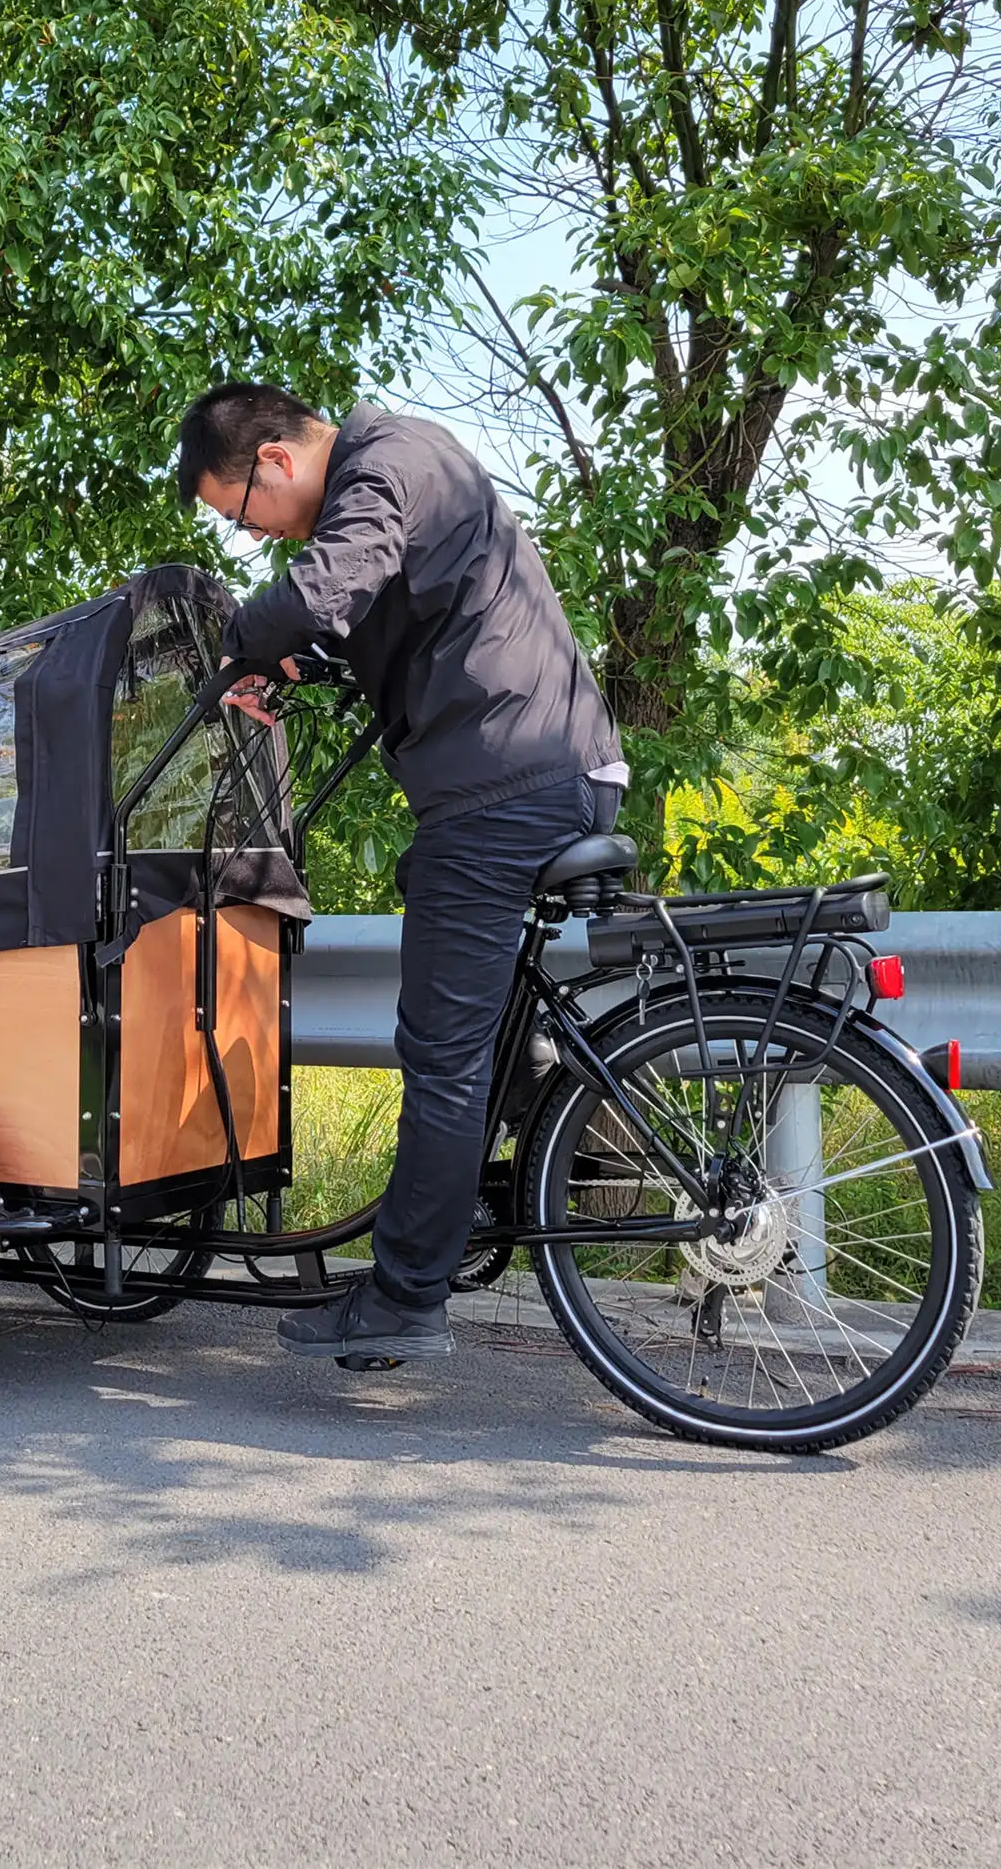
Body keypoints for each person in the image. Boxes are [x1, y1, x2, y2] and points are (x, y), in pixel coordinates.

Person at [175, 383, 625, 1362]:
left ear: (277, 462)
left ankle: (407, 1295)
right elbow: (366, 621)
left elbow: (323, 593)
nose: (253, 536)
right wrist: (289, 673)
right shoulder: (398, 470)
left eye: (241, 513)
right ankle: (554, 1118)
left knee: (440, 1052)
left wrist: (229, 641)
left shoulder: (382, 465)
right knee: (476, 1030)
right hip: (532, 771)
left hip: (505, 787)